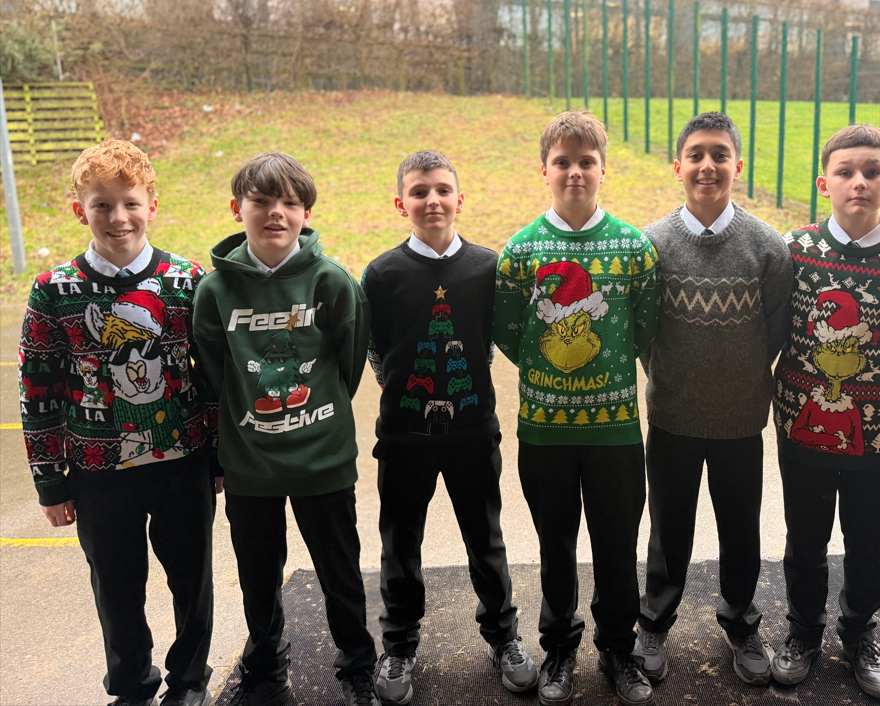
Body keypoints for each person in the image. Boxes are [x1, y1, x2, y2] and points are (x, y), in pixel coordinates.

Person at [19, 138, 217, 706]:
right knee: (117, 589)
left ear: (151, 204)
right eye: (100, 204)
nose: (117, 216)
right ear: (78, 208)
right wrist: (50, 481)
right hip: (98, 474)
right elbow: (39, 391)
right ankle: (132, 684)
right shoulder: (55, 291)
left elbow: (211, 377)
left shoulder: (188, 281)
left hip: (183, 463)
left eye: (129, 202)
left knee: (191, 582)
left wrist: (221, 458)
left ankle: (189, 682)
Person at [192, 152, 377, 706]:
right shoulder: (214, 292)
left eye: (290, 203)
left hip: (323, 460)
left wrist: (311, 418)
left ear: (306, 212)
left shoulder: (333, 282)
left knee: (340, 573)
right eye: (262, 202)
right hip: (250, 466)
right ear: (236, 209)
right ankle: (268, 662)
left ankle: (358, 666)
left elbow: (347, 367)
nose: (276, 213)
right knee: (257, 576)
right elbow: (214, 374)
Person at [493, 110, 661, 706]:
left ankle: (618, 648)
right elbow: (510, 332)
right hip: (545, 431)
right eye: (562, 161)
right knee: (555, 545)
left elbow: (643, 329)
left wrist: (605, 374)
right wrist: (552, 378)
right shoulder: (521, 249)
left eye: (585, 161)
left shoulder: (634, 247)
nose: (574, 172)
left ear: (602, 169)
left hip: (615, 432)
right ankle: (559, 648)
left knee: (617, 545)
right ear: (544, 170)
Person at [361, 150, 536, 704]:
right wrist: (394, 380)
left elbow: (488, 339)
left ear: (461, 200)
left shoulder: (487, 267)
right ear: (400, 203)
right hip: (404, 437)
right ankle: (399, 645)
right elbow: (375, 344)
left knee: (485, 539)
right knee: (400, 544)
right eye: (419, 191)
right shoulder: (382, 272)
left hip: (471, 432)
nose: (431, 200)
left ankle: (504, 638)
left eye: (442, 190)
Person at [770, 124, 880, 698]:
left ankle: (860, 635)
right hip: (803, 424)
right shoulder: (794, 250)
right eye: (845, 172)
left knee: (869, 545)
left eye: (871, 171)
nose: (858, 182)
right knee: (805, 541)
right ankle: (802, 635)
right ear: (824, 183)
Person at [632, 112, 792, 687]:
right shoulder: (650, 244)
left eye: (720, 154)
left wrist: (739, 375)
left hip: (740, 420)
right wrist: (673, 377)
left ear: (737, 167)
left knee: (740, 527)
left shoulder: (766, 246)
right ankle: (653, 621)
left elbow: (777, 330)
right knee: (668, 526)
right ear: (678, 167)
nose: (708, 165)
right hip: (673, 415)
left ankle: (742, 623)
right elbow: (644, 332)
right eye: (696, 154)